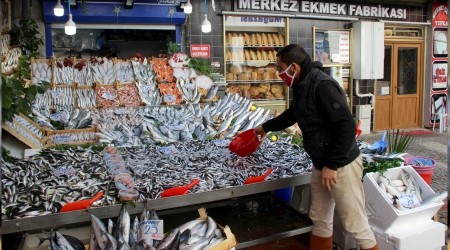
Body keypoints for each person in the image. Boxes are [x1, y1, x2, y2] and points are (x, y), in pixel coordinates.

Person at [254, 44, 378, 250]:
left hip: (341, 165)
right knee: (319, 219)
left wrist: (331, 165)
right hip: (321, 164)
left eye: (280, 67)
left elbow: (346, 126)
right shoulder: (302, 85)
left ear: (293, 67)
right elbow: (294, 113)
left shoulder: (323, 86)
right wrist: (265, 127)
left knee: (355, 224)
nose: (279, 73)